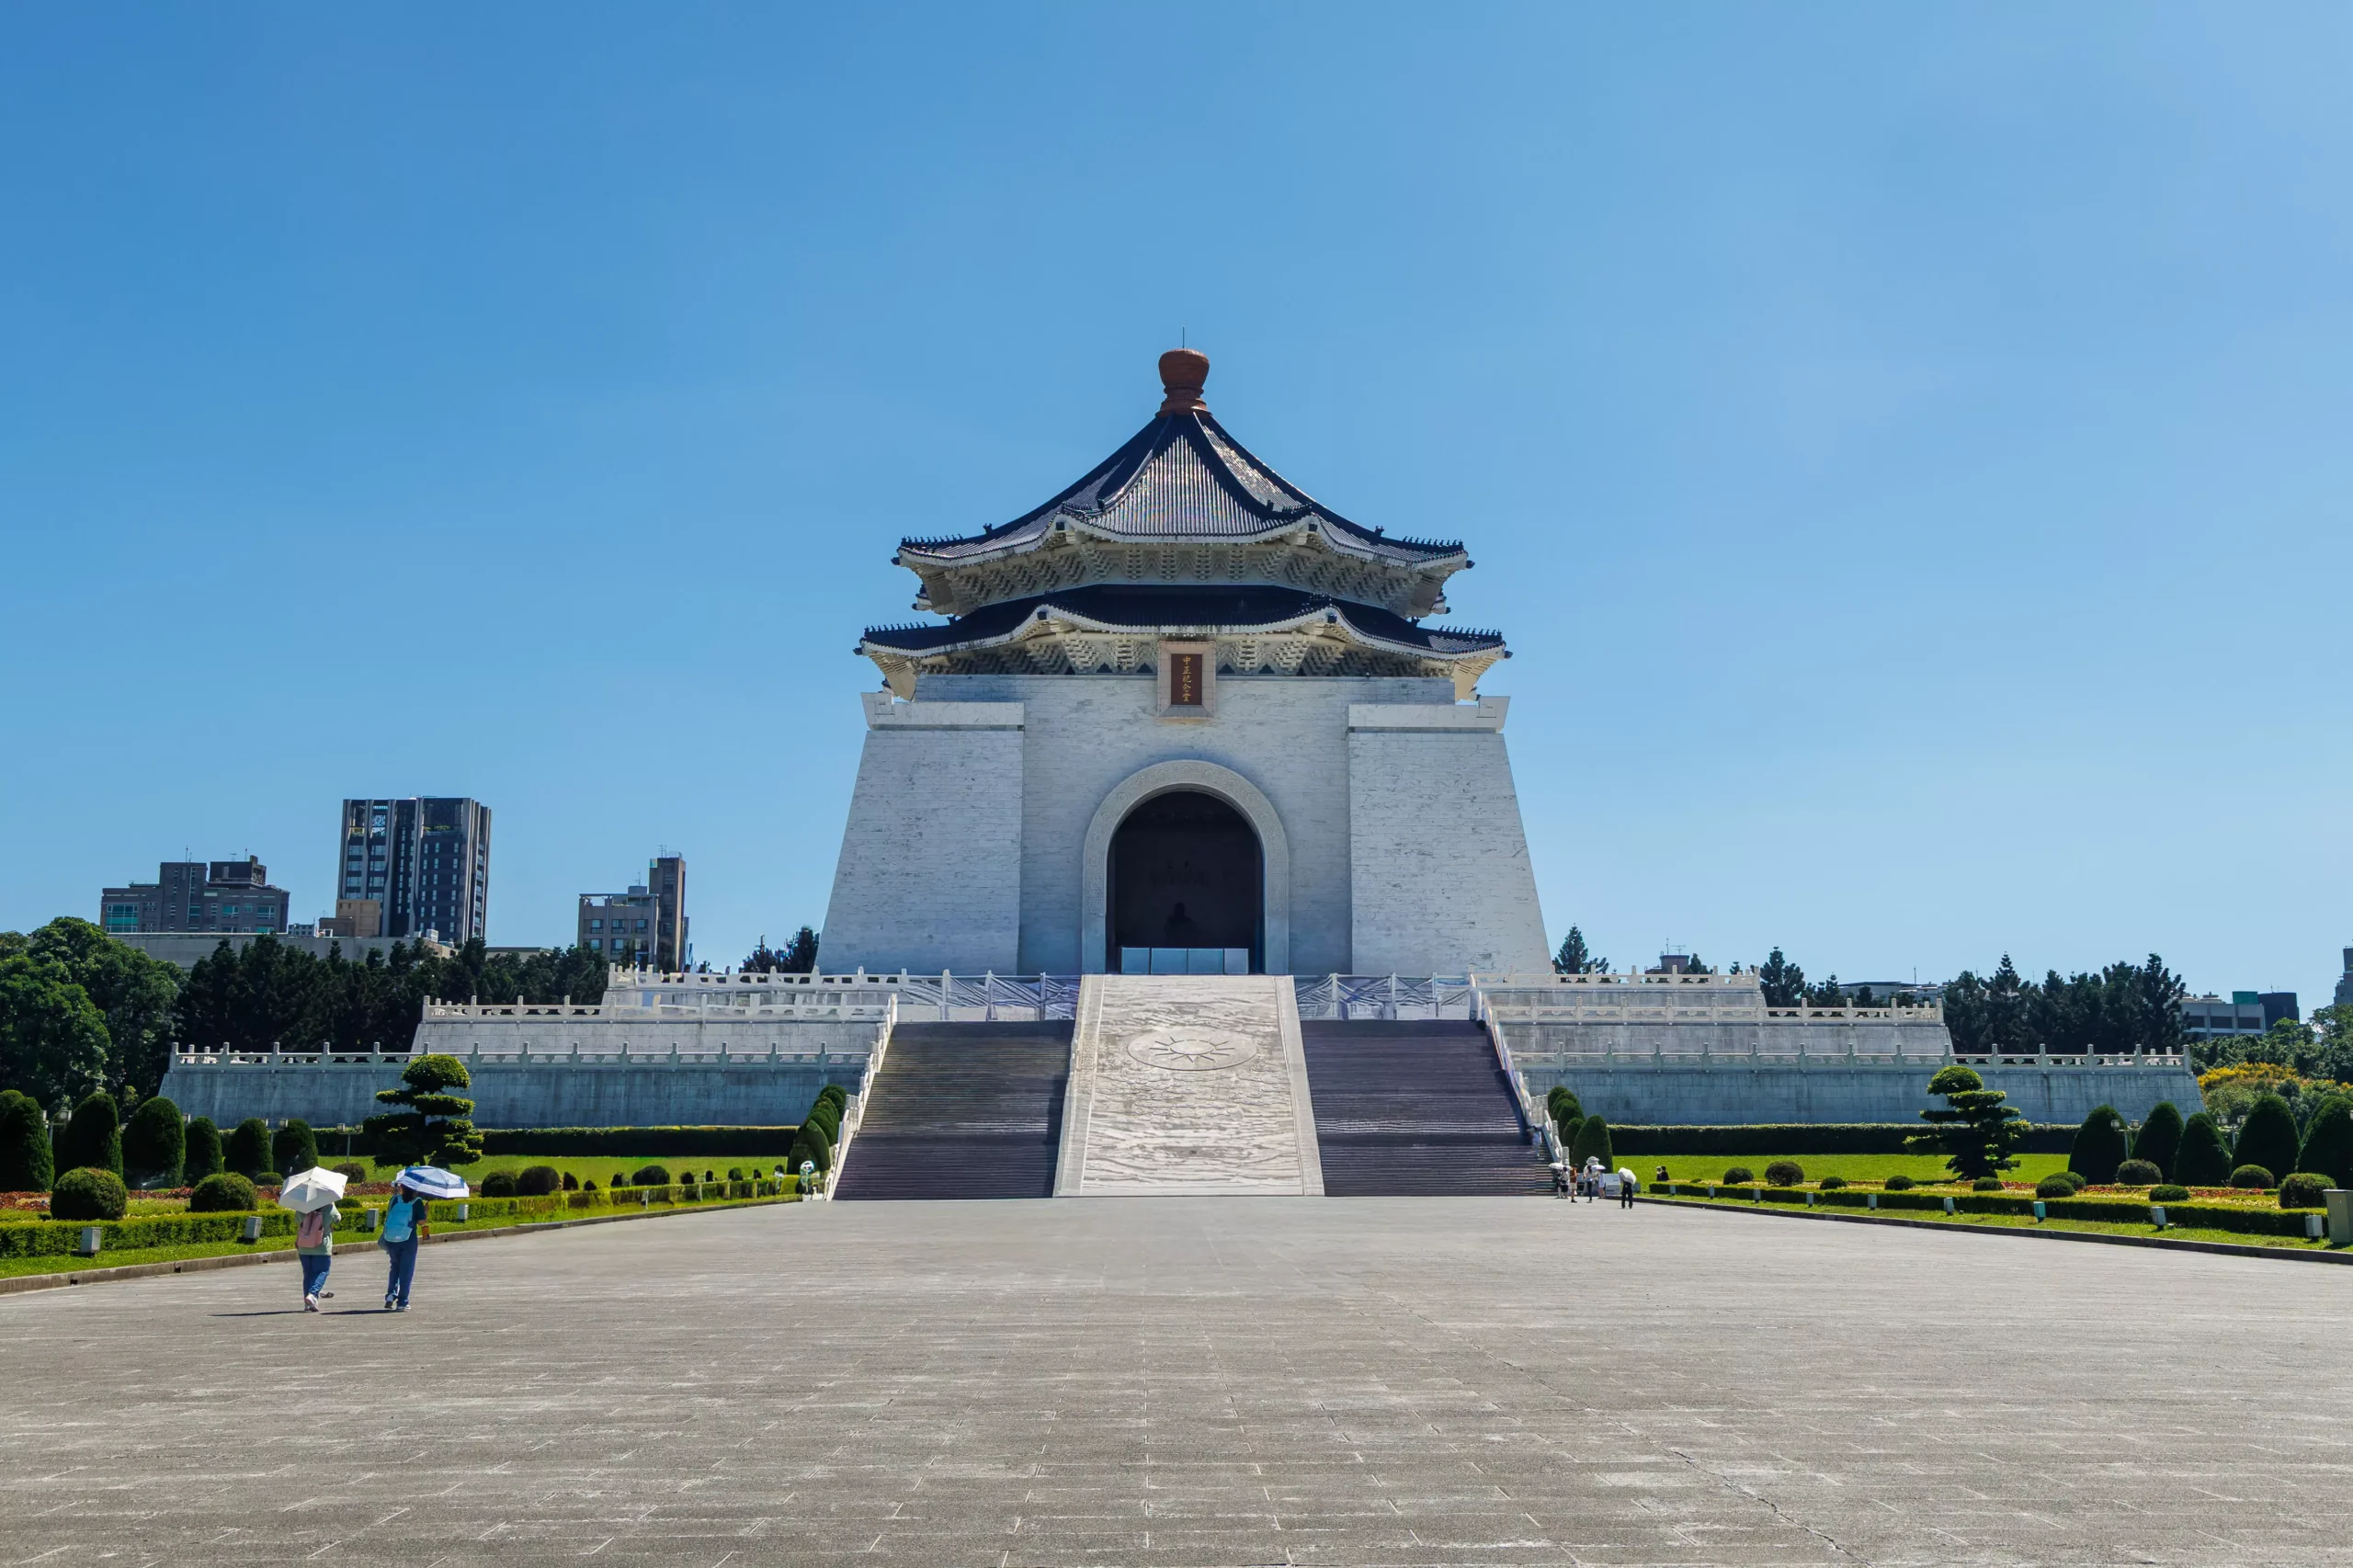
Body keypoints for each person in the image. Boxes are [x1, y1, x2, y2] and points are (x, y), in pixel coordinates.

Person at [379, 1182, 432, 1312]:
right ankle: (402, 1301)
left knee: (395, 1266)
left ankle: (390, 1295)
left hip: (391, 1238)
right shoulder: (417, 1202)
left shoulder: (394, 1199)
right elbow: (421, 1222)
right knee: (406, 1270)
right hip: (408, 1239)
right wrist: (425, 1212)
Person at [296, 1201, 339, 1311]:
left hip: (304, 1246)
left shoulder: (303, 1206)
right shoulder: (329, 1206)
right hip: (321, 1247)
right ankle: (313, 1294)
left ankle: (307, 1302)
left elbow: (297, 1220)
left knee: (308, 1274)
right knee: (323, 1271)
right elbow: (337, 1219)